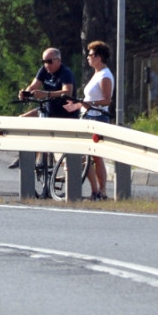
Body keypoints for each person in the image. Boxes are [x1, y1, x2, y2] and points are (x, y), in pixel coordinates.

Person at [9, 47, 77, 167]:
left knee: (44, 131)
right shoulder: (44, 70)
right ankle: (25, 154)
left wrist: (46, 94)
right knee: (21, 119)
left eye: (49, 62)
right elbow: (33, 85)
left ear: (58, 61)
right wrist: (25, 93)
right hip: (47, 109)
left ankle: (38, 155)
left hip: (64, 114)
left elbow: (67, 92)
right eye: (44, 62)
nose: (46, 65)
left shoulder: (65, 73)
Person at [64, 40, 114, 201]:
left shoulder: (105, 75)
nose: (88, 57)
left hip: (98, 117)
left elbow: (106, 101)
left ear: (99, 57)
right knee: (85, 156)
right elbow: (90, 98)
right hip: (88, 116)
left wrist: (88, 104)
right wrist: (78, 105)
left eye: (91, 55)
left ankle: (102, 190)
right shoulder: (97, 74)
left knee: (96, 157)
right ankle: (95, 190)